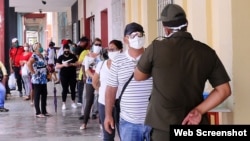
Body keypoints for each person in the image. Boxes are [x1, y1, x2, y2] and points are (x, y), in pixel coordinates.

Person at [133, 4, 231, 141]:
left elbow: (138, 76)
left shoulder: (156, 48)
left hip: (163, 128)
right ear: (186, 25)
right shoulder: (207, 52)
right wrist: (199, 111)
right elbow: (224, 90)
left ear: (166, 29)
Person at [104, 22, 152, 141]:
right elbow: (111, 89)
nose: (137, 38)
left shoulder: (152, 57)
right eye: (133, 35)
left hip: (153, 121)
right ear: (125, 39)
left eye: (140, 35)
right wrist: (108, 115)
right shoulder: (118, 60)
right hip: (128, 123)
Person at [92, 40, 123, 141]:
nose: (110, 51)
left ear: (120, 50)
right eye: (109, 49)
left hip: (120, 102)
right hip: (104, 103)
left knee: (123, 133)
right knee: (108, 134)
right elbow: (94, 82)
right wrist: (102, 92)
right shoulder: (101, 64)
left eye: (113, 49)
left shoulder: (124, 65)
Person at [80, 38, 102, 130]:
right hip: (90, 80)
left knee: (101, 101)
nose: (98, 46)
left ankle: (101, 122)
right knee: (89, 101)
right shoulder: (87, 56)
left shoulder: (102, 56)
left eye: (99, 45)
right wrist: (93, 78)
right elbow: (86, 69)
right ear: (92, 45)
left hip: (101, 81)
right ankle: (84, 122)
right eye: (96, 44)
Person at [27, 42, 50, 118]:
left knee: (44, 94)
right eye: (39, 46)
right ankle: (38, 112)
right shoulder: (34, 56)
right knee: (37, 95)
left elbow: (45, 65)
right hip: (37, 79)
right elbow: (29, 63)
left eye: (41, 46)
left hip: (43, 78)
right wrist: (33, 72)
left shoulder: (42, 56)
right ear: (36, 48)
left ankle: (44, 111)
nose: (41, 48)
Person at [55, 44, 78, 110]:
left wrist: (71, 64)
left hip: (72, 75)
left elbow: (78, 63)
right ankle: (64, 103)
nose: (66, 52)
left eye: (68, 50)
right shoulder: (60, 57)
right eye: (65, 50)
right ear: (63, 50)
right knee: (64, 89)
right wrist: (63, 65)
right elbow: (57, 66)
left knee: (73, 89)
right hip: (64, 75)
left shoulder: (73, 56)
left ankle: (73, 102)